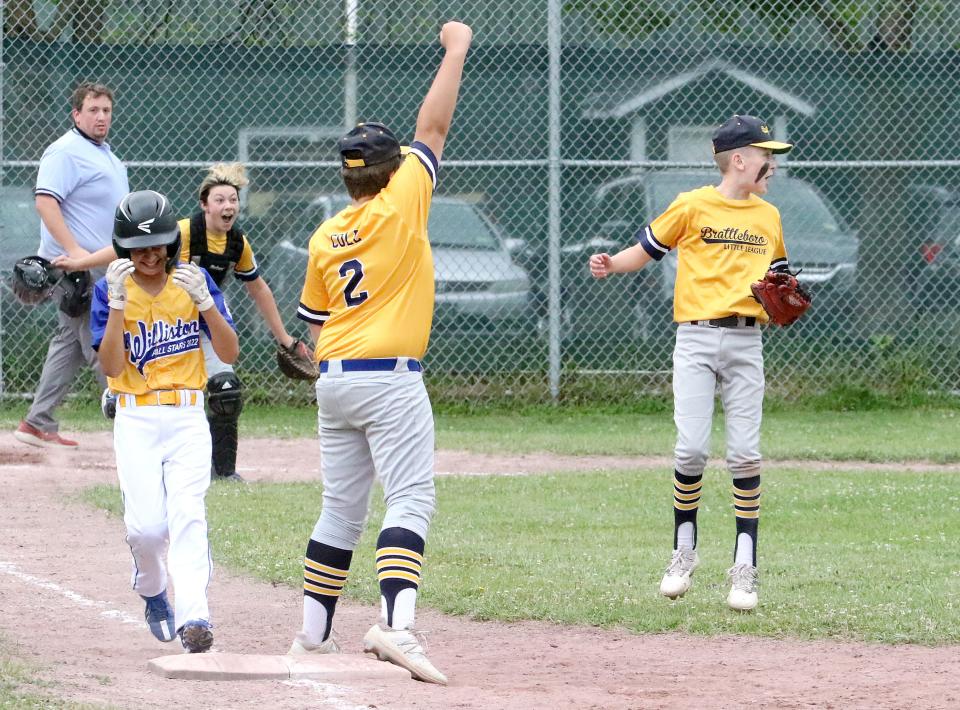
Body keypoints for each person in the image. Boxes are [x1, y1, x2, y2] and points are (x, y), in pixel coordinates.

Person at [286, 20, 473, 685]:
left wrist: (308, 360)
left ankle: (312, 636)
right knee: (411, 500)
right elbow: (435, 126)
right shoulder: (403, 203)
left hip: (333, 377)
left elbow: (309, 330)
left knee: (341, 507)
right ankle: (397, 628)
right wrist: (455, 49)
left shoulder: (327, 233)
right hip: (389, 380)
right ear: (392, 171)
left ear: (345, 178)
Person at [588, 115, 794, 612]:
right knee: (691, 450)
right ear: (739, 160)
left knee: (745, 454)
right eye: (766, 154)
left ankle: (745, 568)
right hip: (696, 340)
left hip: (747, 342)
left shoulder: (769, 216)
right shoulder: (692, 205)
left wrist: (786, 294)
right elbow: (646, 248)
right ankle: (684, 553)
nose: (773, 163)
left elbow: (779, 275)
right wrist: (612, 263)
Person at [90, 190, 238, 653]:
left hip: (188, 414)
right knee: (146, 529)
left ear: (172, 243)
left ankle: (195, 615)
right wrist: (116, 305)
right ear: (123, 249)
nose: (149, 255)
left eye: (157, 245)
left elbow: (230, 353)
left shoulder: (192, 283)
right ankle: (152, 589)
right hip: (135, 417)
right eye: (138, 247)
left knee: (188, 514)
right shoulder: (109, 288)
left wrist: (207, 304)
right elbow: (112, 367)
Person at [13, 81, 129, 448]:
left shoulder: (104, 154)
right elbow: (45, 203)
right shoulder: (65, 151)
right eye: (93, 110)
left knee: (71, 339)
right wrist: (74, 252)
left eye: (106, 110)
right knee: (100, 338)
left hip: (96, 262)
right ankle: (127, 413)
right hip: (77, 265)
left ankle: (36, 422)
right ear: (76, 114)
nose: (101, 117)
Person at [177, 162, 303, 483]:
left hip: (209, 318)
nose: (228, 205)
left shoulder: (237, 243)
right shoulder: (185, 232)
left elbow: (259, 289)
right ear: (204, 205)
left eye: (232, 199)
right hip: (170, 320)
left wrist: (284, 338)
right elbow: (130, 249)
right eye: (219, 200)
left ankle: (222, 472)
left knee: (226, 391)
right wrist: (80, 260)